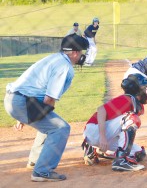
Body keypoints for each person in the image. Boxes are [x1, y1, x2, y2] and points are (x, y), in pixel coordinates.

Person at [3, 34, 89, 182]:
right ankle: (42, 171)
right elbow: (49, 99)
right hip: (22, 102)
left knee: (48, 122)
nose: (82, 55)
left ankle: (35, 160)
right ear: (75, 53)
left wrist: (22, 115)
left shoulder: (54, 58)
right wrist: (26, 113)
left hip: (16, 100)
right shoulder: (65, 67)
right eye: (81, 52)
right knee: (60, 128)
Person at [82, 73, 147, 171]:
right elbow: (101, 110)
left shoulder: (133, 100)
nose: (146, 90)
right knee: (131, 119)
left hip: (98, 135)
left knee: (139, 154)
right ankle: (121, 161)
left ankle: (94, 150)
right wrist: (102, 136)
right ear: (138, 90)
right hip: (95, 130)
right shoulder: (125, 99)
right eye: (144, 87)